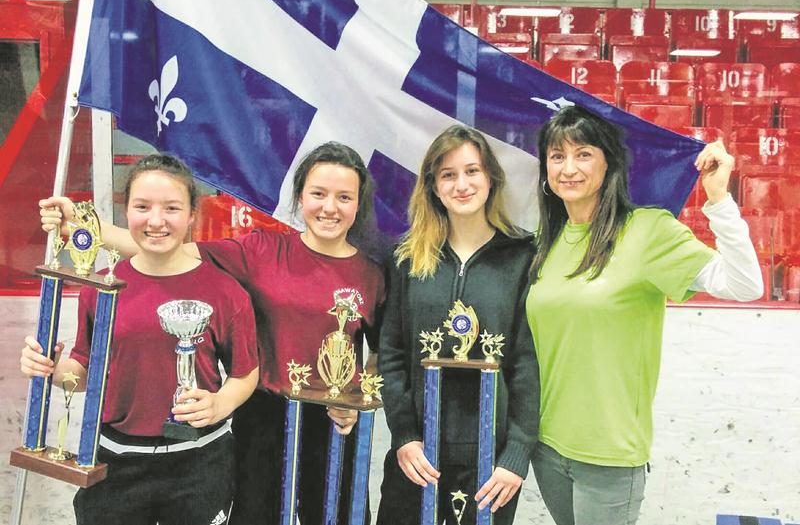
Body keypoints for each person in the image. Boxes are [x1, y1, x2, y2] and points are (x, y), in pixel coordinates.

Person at [39, 142, 385, 525]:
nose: (329, 208)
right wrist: (85, 226)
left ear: (359, 203)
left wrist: (355, 396)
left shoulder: (372, 272)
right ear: (300, 196)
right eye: (318, 194)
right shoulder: (261, 250)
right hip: (263, 415)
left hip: (333, 421)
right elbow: (165, 248)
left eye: (344, 197)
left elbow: (387, 350)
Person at [526, 106, 763, 525]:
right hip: (547, 448)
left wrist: (718, 199)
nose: (569, 168)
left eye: (583, 154)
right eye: (557, 156)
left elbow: (745, 285)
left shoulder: (648, 231)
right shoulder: (547, 241)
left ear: (608, 162)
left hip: (610, 455)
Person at [22, 154, 259, 525]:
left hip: (199, 461)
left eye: (172, 208)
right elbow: (84, 372)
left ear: (192, 215)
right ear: (125, 211)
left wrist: (220, 403)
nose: (156, 220)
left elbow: (246, 373)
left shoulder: (226, 292)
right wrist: (50, 369)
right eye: (142, 206)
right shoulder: (100, 287)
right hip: (113, 461)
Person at [377, 125, 539, 525]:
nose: (461, 184)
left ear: (491, 179)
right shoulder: (406, 258)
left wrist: (517, 454)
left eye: (472, 171)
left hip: (491, 464)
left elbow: (527, 362)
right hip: (415, 457)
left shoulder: (524, 256)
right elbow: (393, 354)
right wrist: (404, 436)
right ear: (432, 186)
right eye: (448, 174)